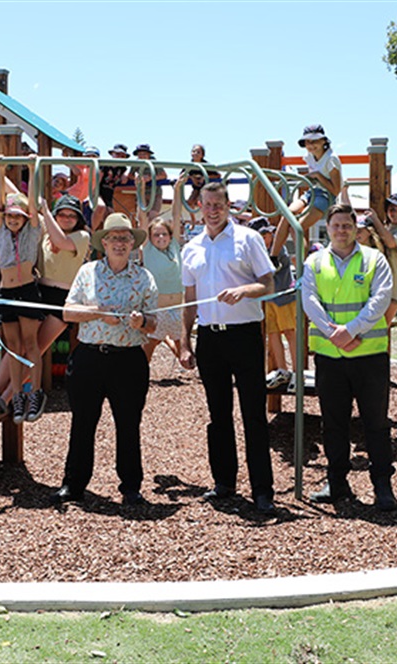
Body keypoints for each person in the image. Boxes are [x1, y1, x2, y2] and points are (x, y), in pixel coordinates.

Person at [179, 181, 277, 514]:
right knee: (218, 415)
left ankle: (263, 490)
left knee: (253, 414)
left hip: (245, 335)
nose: (212, 209)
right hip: (210, 339)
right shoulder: (191, 247)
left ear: (228, 205)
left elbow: (269, 283)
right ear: (200, 207)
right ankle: (224, 483)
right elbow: (189, 300)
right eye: (207, 204)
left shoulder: (248, 239)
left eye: (218, 204)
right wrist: (184, 342)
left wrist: (245, 291)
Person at [54, 213, 158, 506]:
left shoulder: (143, 277)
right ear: (105, 243)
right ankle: (73, 485)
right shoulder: (87, 272)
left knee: (128, 424)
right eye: (114, 237)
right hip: (89, 358)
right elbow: (68, 313)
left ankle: (130, 487)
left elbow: (154, 323)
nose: (120, 243)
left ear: (132, 244)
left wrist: (142, 322)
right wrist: (99, 312)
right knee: (83, 423)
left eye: (125, 238)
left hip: (128, 361)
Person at [302, 204, 397, 510]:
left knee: (376, 423)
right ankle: (337, 483)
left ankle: (382, 485)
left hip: (369, 355)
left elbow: (380, 299)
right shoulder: (314, 262)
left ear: (356, 228)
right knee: (333, 423)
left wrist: (353, 330)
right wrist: (335, 334)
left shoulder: (374, 259)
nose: (341, 230)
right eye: (336, 225)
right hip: (330, 357)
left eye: (347, 225)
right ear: (327, 228)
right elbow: (309, 300)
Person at [0, 194, 91, 413]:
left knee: (36, 348)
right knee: (17, 347)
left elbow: (61, 242)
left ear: (78, 219)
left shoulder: (81, 236)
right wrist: (3, 173)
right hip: (38, 291)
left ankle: (7, 396)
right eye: (62, 214)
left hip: (62, 298)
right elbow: (21, 202)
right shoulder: (45, 232)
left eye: (72, 215)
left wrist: (44, 208)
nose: (67, 219)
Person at [0, 194, 47, 423]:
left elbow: (33, 210)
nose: (13, 219)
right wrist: (0, 172)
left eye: (18, 216)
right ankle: (16, 395)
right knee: (13, 347)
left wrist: (30, 168)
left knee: (30, 342)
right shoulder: (0, 231)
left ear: (25, 219)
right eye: (10, 215)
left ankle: (34, 391)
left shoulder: (31, 232)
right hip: (6, 292)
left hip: (26, 290)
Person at [272, 124, 342, 258]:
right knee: (287, 214)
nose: (311, 145)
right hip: (312, 192)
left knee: (296, 228)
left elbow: (336, 189)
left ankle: (303, 266)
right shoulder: (309, 156)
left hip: (326, 196)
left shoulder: (331, 159)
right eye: (308, 142)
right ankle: (273, 257)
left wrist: (318, 176)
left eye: (315, 141)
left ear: (324, 141)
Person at [139, 179, 187, 363]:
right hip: (157, 308)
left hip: (176, 307)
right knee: (148, 349)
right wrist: (140, 188)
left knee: (183, 355)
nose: (160, 237)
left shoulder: (174, 245)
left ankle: (167, 340)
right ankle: (138, 381)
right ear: (150, 237)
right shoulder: (148, 248)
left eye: (164, 234)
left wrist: (177, 190)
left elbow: (176, 214)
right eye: (156, 234)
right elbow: (142, 217)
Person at [250, 217, 298, 391]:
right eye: (261, 235)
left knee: (290, 334)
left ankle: (297, 371)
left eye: (267, 234)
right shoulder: (256, 252)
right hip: (270, 300)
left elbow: (268, 271)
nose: (265, 238)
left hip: (284, 299)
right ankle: (282, 369)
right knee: (273, 334)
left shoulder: (278, 251)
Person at [366, 193, 397, 323]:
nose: (395, 213)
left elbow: (390, 243)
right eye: (392, 209)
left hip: (395, 286)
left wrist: (376, 220)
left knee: (382, 326)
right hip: (377, 282)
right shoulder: (385, 227)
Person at [128, 143, 166, 219]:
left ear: (149, 155)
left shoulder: (154, 163)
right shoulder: (136, 164)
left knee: (153, 215)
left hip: (155, 193)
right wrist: (136, 177)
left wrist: (150, 178)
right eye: (140, 154)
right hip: (142, 193)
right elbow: (130, 175)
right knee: (141, 216)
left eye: (144, 154)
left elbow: (163, 175)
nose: (142, 156)